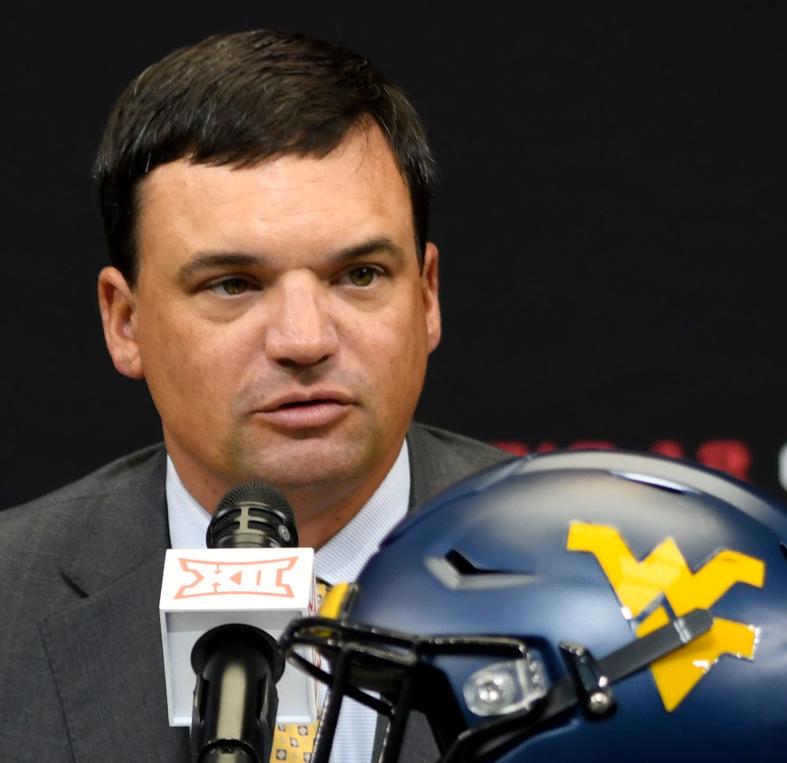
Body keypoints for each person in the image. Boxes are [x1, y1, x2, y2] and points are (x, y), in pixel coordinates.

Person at [0, 30, 509, 763]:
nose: (304, 339)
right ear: (126, 321)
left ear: (427, 297)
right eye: (233, 284)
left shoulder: (610, 584)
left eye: (359, 274)